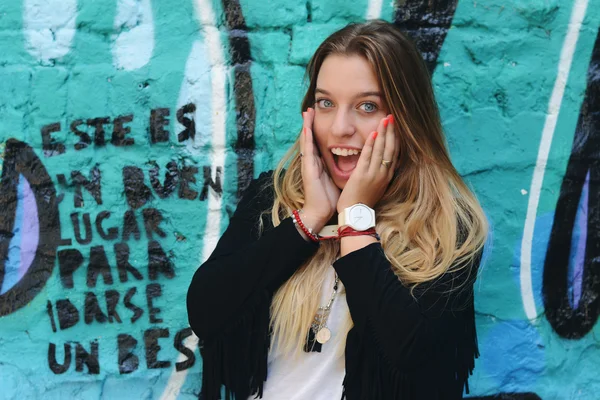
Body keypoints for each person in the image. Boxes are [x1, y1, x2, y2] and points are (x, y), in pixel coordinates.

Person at [187, 19, 488, 400]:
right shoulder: (274, 198)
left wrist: (356, 219)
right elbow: (206, 312)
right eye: (326, 103)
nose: (340, 128)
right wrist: (308, 220)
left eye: (367, 106)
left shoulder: (446, 226)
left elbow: (413, 359)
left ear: (407, 117)